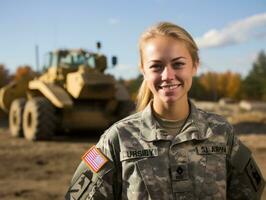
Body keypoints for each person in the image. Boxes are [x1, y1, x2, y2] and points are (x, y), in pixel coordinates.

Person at [65, 22, 265, 200]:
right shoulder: (116, 139)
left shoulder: (222, 132)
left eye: (178, 64)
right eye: (157, 66)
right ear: (143, 70)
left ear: (194, 65)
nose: (168, 75)